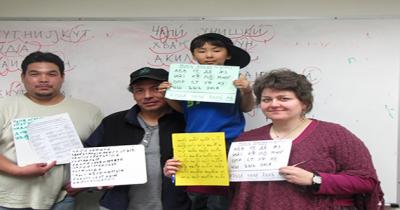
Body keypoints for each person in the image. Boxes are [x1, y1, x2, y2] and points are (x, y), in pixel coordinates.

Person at [229, 68, 384, 210]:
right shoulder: (246, 140)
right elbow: (231, 190)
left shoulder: (334, 134)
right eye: (267, 99)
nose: (274, 104)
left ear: (304, 103)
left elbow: (366, 181)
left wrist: (315, 179)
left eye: (284, 98)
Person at [161, 33, 255, 210]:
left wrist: (247, 91)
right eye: (202, 51)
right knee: (196, 196)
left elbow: (247, 108)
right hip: (194, 143)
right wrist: (169, 95)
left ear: (228, 55)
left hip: (227, 142)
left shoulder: (235, 80)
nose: (209, 55)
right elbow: (183, 109)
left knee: (222, 198)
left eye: (216, 50)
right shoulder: (185, 79)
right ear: (194, 55)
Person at [0, 51, 103, 210]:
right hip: (7, 199)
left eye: (51, 74)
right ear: (23, 77)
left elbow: (105, 152)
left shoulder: (89, 112)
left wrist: (85, 181)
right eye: (35, 74)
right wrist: (17, 171)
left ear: (62, 77)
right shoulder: (4, 107)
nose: (43, 79)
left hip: (61, 199)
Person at [84, 67, 191, 210]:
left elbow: (199, 171)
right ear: (133, 94)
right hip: (117, 205)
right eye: (139, 90)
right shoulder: (113, 122)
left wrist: (173, 176)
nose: (147, 96)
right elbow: (87, 159)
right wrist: (98, 179)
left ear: (168, 90)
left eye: (155, 89)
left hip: (176, 205)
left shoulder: (187, 122)